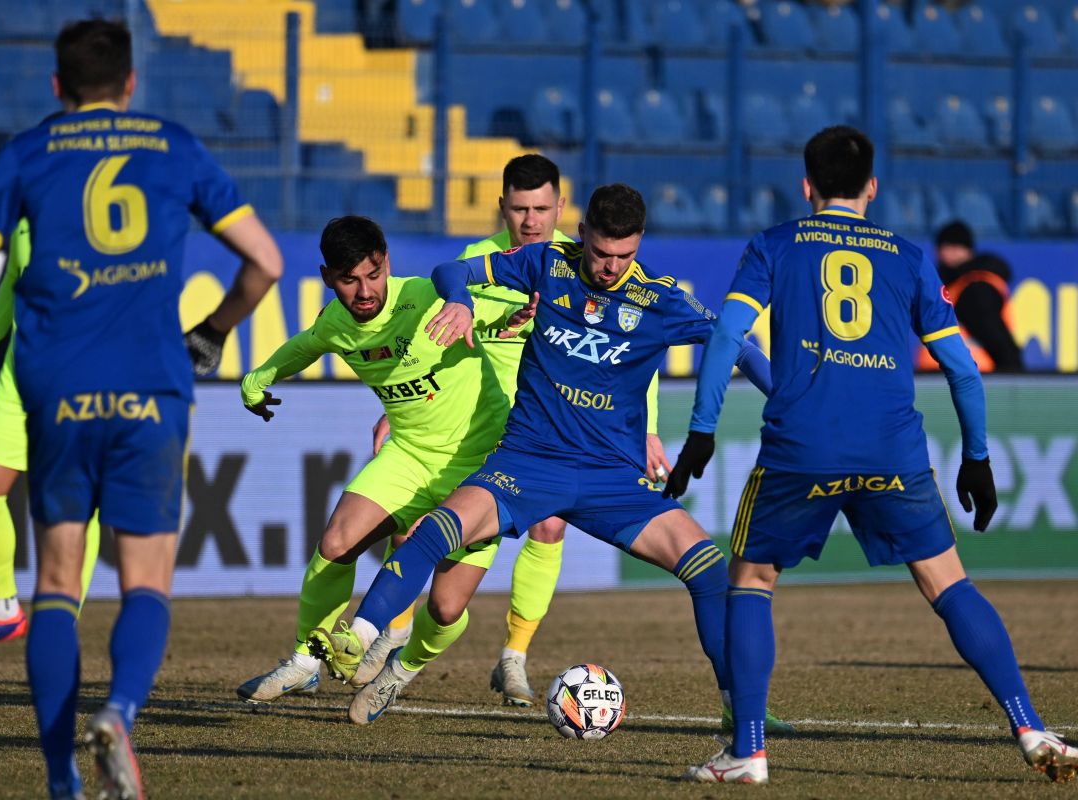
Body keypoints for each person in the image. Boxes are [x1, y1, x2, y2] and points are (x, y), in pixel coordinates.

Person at [0, 19, 283, 799]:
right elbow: (266, 262)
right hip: (151, 388)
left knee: (55, 581)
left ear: (57, 85)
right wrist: (214, 331)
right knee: (145, 580)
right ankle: (120, 711)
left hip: (57, 392)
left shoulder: (28, 152)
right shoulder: (173, 145)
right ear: (131, 83)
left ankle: (61, 779)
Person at [671, 126, 1075, 784]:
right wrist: (977, 457)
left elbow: (726, 338)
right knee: (949, 583)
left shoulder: (775, 244)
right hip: (893, 450)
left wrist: (701, 430)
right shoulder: (908, 256)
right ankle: (1030, 726)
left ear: (806, 186)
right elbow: (963, 370)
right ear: (873, 188)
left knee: (751, 581)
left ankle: (748, 752)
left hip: (803, 447)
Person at [306, 184, 781, 733]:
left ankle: (738, 707)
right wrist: (459, 301)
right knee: (434, 531)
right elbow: (449, 271)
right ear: (581, 234)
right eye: (600, 253)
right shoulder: (546, 263)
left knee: (710, 569)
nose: (610, 267)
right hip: (527, 462)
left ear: (639, 244)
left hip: (610, 478)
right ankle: (362, 634)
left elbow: (739, 347)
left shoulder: (661, 299)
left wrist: (787, 402)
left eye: (624, 255)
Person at [363, 154, 671, 707]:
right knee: (416, 521)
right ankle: (394, 630)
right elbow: (436, 335)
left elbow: (629, 359)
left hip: (549, 425)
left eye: (542, 209)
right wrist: (403, 407)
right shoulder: (478, 261)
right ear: (502, 206)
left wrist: (647, 427)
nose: (531, 220)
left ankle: (514, 657)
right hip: (472, 417)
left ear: (561, 209)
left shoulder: (589, 266)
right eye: (521, 208)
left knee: (550, 526)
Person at [234, 215, 529, 720]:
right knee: (335, 544)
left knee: (446, 609)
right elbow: (303, 347)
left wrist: (511, 315)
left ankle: (401, 669)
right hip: (409, 454)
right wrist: (256, 380)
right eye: (349, 280)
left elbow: (493, 314)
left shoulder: (426, 297)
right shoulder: (337, 323)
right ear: (329, 277)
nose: (365, 291)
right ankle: (305, 661)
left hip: (480, 464)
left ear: (386, 263)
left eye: (373, 275)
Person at [0, 219, 102, 661]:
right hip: (18, 379)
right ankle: (5, 610)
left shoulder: (98, 217)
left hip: (80, 379)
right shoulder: (23, 219)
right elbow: (14, 280)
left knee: (75, 507)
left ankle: (62, 622)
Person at [927, 220, 1023, 372]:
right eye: (947, 246)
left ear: (969, 251)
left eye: (958, 246)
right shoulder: (953, 286)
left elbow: (999, 342)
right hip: (954, 376)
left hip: (971, 378)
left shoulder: (975, 290)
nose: (951, 252)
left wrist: (1012, 377)